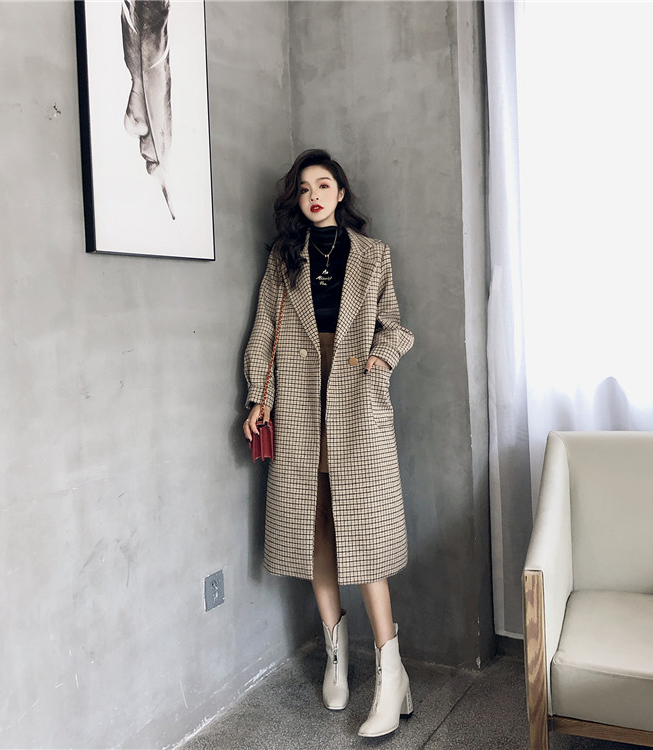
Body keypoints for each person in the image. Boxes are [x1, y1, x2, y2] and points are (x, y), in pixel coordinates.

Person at [242, 149, 414, 738]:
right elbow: (264, 330)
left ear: (341, 193)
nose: (313, 195)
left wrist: (379, 360)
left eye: (323, 185)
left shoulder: (373, 255)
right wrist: (258, 398)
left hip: (355, 399)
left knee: (363, 536)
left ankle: (391, 674)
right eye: (304, 188)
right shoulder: (283, 257)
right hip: (297, 400)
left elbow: (396, 324)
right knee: (315, 529)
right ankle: (335, 656)